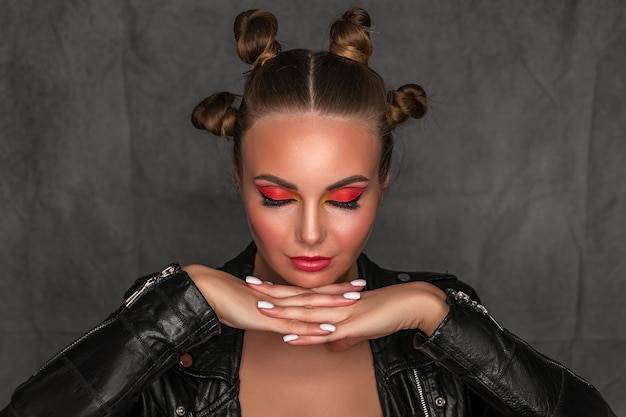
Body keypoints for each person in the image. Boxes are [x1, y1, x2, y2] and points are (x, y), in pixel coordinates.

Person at [1, 7, 615, 417]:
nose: (312, 233)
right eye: (277, 198)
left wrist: (434, 313)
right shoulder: (172, 325)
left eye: (345, 199)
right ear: (238, 179)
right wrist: (186, 303)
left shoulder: (434, 326)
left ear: (384, 181)